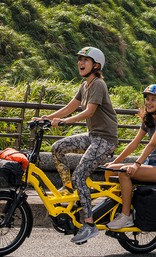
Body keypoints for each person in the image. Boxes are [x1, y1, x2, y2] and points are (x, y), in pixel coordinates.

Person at [33, 47, 119, 243]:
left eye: (85, 60)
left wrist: (65, 122)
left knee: (80, 174)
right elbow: (70, 107)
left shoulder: (98, 84)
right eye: (79, 59)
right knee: (57, 148)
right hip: (93, 135)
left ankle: (89, 225)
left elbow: (89, 111)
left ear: (95, 65)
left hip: (105, 139)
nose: (80, 63)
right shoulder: (85, 85)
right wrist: (47, 118)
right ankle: (68, 186)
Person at [104, 84, 156, 229]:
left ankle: (126, 216)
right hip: (151, 164)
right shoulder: (148, 118)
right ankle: (117, 205)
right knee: (110, 170)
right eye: (147, 99)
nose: (148, 102)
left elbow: (152, 144)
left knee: (125, 172)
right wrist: (114, 162)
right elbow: (134, 144)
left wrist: (136, 165)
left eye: (153, 99)